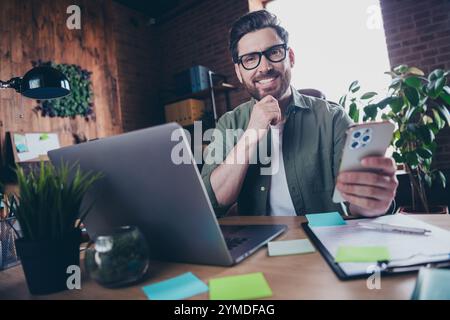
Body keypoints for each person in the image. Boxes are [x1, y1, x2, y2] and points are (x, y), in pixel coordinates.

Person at [200, 10, 398, 217]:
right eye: (250, 59)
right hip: (262, 245)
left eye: (274, 52)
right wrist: (251, 134)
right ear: (239, 72)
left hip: (326, 241)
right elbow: (213, 202)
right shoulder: (229, 123)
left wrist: (372, 201)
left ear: (290, 57)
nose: (265, 67)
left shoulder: (333, 118)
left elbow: (354, 201)